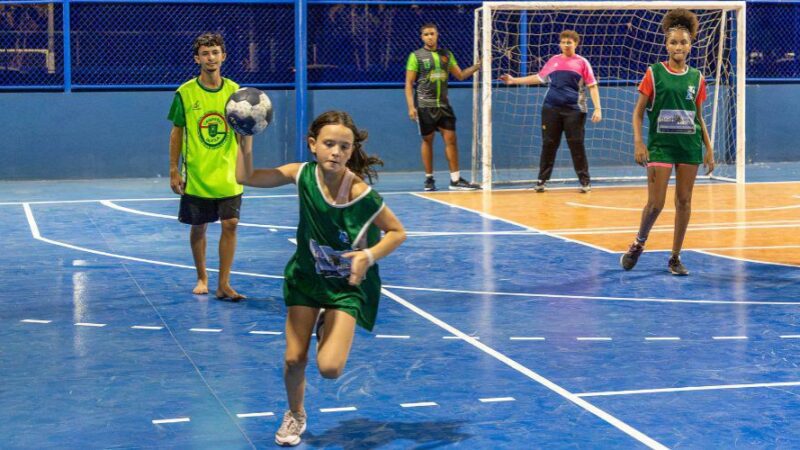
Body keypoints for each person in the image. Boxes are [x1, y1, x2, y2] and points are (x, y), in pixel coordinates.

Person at [235, 111, 406, 447]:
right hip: (306, 279)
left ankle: (328, 319)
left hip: (346, 287)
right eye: (329, 144)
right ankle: (295, 414)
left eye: (344, 146)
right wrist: (246, 137)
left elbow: (397, 232)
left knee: (329, 368)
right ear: (313, 145)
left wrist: (368, 255)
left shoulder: (361, 194)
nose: (336, 152)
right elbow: (246, 176)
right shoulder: (302, 175)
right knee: (293, 358)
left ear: (352, 150)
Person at [620, 8, 714, 275]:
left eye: (683, 42)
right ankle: (639, 242)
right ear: (666, 44)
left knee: (684, 202)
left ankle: (675, 257)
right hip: (660, 146)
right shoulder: (654, 73)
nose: (678, 46)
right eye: (673, 42)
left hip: (689, 146)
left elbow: (699, 116)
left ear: (690, 45)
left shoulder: (697, 78)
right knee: (655, 204)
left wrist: (709, 148)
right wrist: (639, 143)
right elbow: (638, 113)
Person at [167, 33, 247, 300]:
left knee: (231, 223)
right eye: (205, 53)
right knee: (199, 226)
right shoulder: (185, 93)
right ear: (197, 58)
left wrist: (246, 162)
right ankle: (202, 276)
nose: (210, 58)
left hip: (228, 172)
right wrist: (174, 169)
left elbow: (241, 132)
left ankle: (224, 284)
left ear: (223, 56)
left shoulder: (236, 92)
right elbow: (177, 133)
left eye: (215, 52)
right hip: (198, 174)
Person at [499, 30, 602, 193]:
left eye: (569, 42)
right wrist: (514, 80)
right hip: (551, 109)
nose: (566, 45)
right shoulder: (553, 61)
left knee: (576, 145)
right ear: (560, 44)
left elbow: (592, 86)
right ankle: (541, 180)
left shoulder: (582, 63)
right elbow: (539, 77)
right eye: (563, 42)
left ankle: (585, 181)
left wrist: (598, 108)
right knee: (549, 144)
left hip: (575, 111)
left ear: (576, 44)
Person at [405, 22, 481, 191]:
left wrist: (478, 66)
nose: (429, 37)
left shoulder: (446, 55)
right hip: (425, 105)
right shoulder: (416, 56)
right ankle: (429, 179)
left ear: (437, 35)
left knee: (451, 140)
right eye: (426, 34)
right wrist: (411, 106)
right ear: (422, 37)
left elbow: (460, 75)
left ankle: (455, 180)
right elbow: (409, 83)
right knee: (427, 140)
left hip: (444, 105)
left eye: (432, 33)